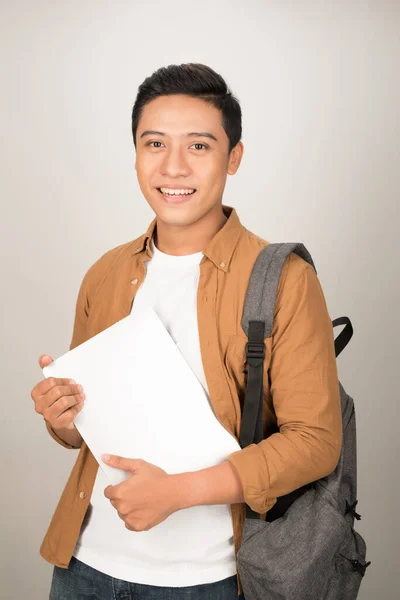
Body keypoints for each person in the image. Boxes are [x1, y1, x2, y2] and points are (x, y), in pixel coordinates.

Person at [30, 63, 342, 600]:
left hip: (206, 580)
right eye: (154, 143)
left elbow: (316, 442)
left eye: (198, 146)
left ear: (234, 157)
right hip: (83, 567)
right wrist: (62, 417)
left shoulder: (284, 278)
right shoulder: (105, 273)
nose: (173, 167)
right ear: (134, 153)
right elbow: (84, 432)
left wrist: (180, 492)